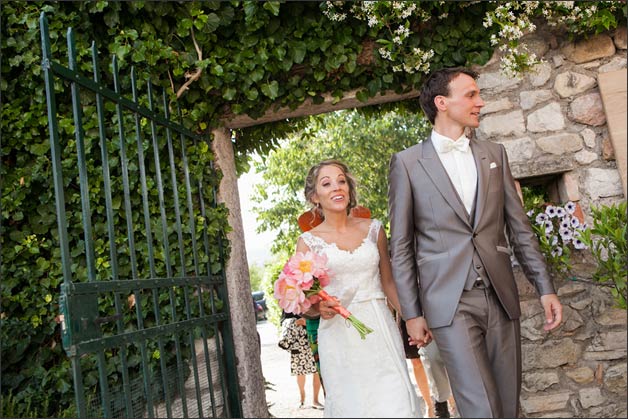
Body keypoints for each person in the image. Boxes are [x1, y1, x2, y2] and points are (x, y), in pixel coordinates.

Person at [387, 67, 563, 418]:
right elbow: (401, 246)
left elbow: (519, 227)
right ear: (442, 102)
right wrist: (412, 313)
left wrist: (545, 287)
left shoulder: (494, 154)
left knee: (507, 404)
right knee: (480, 407)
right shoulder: (406, 164)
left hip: (500, 295)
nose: (480, 102)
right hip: (449, 303)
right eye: (470, 95)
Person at [297, 160, 421, 418]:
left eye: (341, 180)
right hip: (338, 338)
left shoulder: (374, 229)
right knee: (352, 407)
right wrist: (318, 307)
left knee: (395, 401)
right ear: (314, 197)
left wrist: (412, 317)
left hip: (379, 328)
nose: (336, 187)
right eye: (326, 183)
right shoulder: (307, 242)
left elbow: (388, 283)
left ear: (349, 189)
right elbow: (304, 301)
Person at [397, 315, 454, 418]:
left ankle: (447, 398)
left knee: (440, 356)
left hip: (433, 310)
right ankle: (431, 404)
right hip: (408, 313)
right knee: (417, 361)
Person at [278, 311, 324, 410]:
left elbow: (318, 316)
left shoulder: (309, 301)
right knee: (300, 371)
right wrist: (295, 322)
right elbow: (283, 320)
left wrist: (307, 322)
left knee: (316, 370)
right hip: (298, 342)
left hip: (312, 336)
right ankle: (302, 398)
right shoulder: (290, 303)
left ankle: (315, 400)